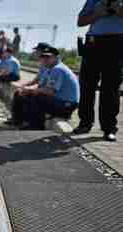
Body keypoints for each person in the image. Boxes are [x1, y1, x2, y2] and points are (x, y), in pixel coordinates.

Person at [72, 0, 123, 142]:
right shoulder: (93, 0)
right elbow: (80, 21)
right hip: (94, 42)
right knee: (87, 85)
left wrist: (118, 9)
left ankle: (109, 129)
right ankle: (85, 123)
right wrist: (98, 13)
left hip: (117, 42)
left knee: (111, 88)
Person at [20, 46, 80, 130]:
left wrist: (31, 90)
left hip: (67, 106)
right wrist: (31, 90)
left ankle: (35, 127)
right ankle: (29, 123)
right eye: (43, 57)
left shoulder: (58, 69)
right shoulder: (52, 68)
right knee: (31, 95)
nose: (45, 59)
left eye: (48, 57)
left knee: (37, 98)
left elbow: (50, 91)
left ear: (57, 57)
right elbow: (44, 87)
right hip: (63, 102)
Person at [6, 42, 52, 125]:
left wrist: (29, 89)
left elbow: (48, 88)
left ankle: (28, 122)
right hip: (43, 90)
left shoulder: (50, 65)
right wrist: (23, 86)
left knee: (28, 96)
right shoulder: (43, 65)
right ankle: (17, 120)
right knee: (18, 92)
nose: (35, 53)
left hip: (48, 93)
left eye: (37, 51)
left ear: (43, 52)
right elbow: (36, 80)